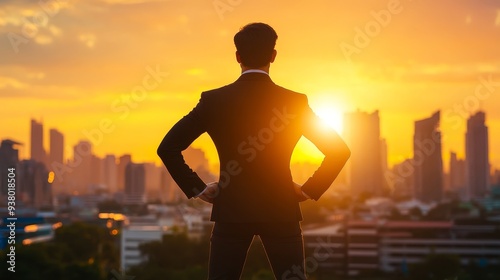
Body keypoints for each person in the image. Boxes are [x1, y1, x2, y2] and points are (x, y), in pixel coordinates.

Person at [157, 22, 350, 280]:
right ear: (273, 56)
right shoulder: (294, 102)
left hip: (231, 211)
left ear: (237, 56)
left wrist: (199, 188)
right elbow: (339, 150)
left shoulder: (214, 101)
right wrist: (307, 189)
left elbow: (167, 148)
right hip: (281, 210)